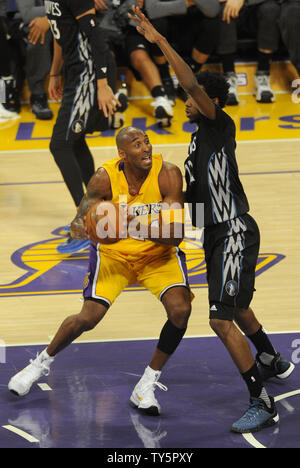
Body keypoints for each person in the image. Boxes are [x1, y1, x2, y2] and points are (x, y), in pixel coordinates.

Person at [128, 5, 295, 433]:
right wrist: (153, 217)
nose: (186, 99)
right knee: (235, 306)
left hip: (235, 230)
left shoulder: (218, 123)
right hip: (219, 234)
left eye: (193, 96)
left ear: (209, 100)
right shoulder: (198, 141)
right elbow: (194, 203)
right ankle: (271, 358)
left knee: (220, 318)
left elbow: (188, 79)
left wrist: (160, 41)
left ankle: (262, 401)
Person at [8, 126, 193, 417]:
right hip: (114, 256)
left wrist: (130, 225)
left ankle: (146, 383)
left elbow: (176, 234)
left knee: (180, 310)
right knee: (88, 317)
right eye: (137, 144)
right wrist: (96, 225)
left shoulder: (168, 173)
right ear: (122, 153)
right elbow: (78, 224)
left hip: (157, 254)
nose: (145, 148)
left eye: (147, 142)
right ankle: (39, 364)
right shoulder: (104, 177)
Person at [45, 0, 127, 254]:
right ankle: (101, 212)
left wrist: (102, 85)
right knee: (75, 142)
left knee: (59, 145)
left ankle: (86, 221)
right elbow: (60, 34)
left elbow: (96, 37)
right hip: (75, 71)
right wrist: (55, 73)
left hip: (89, 74)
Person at [217, 0, 279, 105]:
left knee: (270, 8)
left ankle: (263, 75)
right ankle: (229, 77)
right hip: (230, 9)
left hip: (255, 9)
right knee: (224, 10)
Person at [15, 0, 53, 119]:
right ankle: (37, 95)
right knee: (39, 30)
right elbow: (27, 13)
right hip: (30, 22)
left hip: (62, 19)